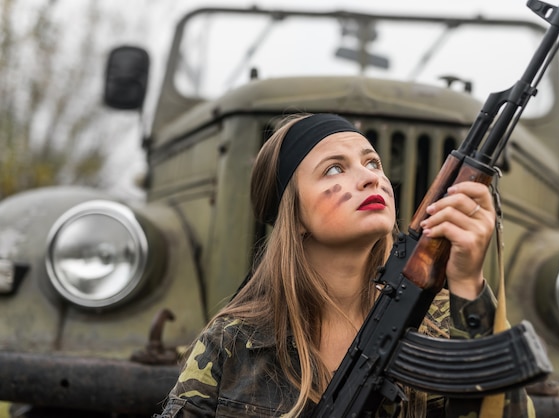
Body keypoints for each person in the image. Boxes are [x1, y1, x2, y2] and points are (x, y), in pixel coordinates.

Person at [156, 113, 533, 417]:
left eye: (373, 162)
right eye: (334, 169)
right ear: (295, 216)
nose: (371, 177)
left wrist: (468, 284)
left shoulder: (440, 324)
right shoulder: (233, 342)